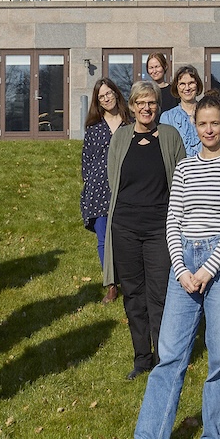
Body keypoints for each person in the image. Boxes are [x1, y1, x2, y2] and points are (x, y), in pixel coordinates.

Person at [114, 95, 220, 439]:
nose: (208, 130)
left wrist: (208, 269)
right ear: (196, 127)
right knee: (170, 355)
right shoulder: (186, 169)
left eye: (215, 123)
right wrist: (182, 267)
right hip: (184, 266)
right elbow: (172, 221)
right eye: (202, 124)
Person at [103, 83, 186, 379]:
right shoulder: (121, 137)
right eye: (141, 103)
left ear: (157, 105)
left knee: (159, 294)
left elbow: (181, 182)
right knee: (133, 295)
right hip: (124, 227)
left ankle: (165, 358)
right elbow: (114, 180)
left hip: (159, 228)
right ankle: (141, 357)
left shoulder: (170, 136)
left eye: (151, 102)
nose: (146, 108)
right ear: (133, 105)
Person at [81, 78, 127, 290]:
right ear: (97, 102)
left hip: (127, 186)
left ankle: (129, 280)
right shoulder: (93, 128)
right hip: (99, 189)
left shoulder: (131, 124)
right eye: (102, 96)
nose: (107, 98)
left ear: (116, 94)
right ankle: (110, 284)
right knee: (103, 239)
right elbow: (86, 163)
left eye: (109, 93)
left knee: (125, 236)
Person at [160, 64, 205, 157]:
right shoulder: (168, 117)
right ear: (177, 87)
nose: (187, 88)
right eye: (182, 84)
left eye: (191, 83)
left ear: (197, 85)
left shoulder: (207, 113)